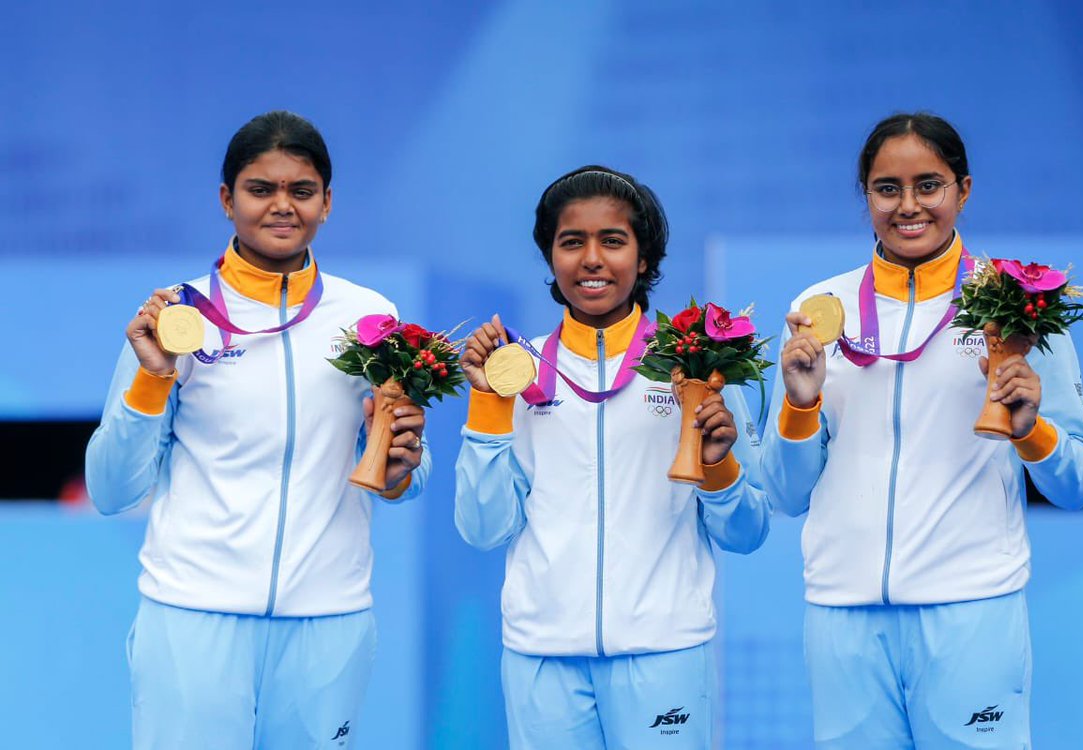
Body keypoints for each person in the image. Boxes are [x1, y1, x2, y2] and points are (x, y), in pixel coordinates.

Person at [85, 110, 429, 749]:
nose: (282, 206)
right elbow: (110, 491)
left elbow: (401, 471)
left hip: (329, 620)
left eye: (301, 191)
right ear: (226, 199)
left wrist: (404, 466)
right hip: (192, 617)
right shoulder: (176, 317)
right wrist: (153, 378)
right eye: (259, 189)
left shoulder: (371, 316)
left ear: (327, 203)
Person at [761, 112, 1083, 749]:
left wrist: (1031, 431)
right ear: (865, 195)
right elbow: (782, 495)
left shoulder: (1017, 304)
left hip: (972, 610)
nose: (908, 206)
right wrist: (801, 406)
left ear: (963, 190)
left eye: (929, 185)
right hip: (842, 616)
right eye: (887, 188)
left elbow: (1080, 482)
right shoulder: (816, 311)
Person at [455, 165, 771, 750]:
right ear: (550, 257)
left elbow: (748, 531)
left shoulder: (697, 366)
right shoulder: (517, 372)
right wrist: (488, 403)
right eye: (571, 242)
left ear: (645, 258)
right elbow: (482, 529)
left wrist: (719, 467)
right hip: (541, 656)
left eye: (614, 241)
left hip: (665, 650)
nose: (592, 259)